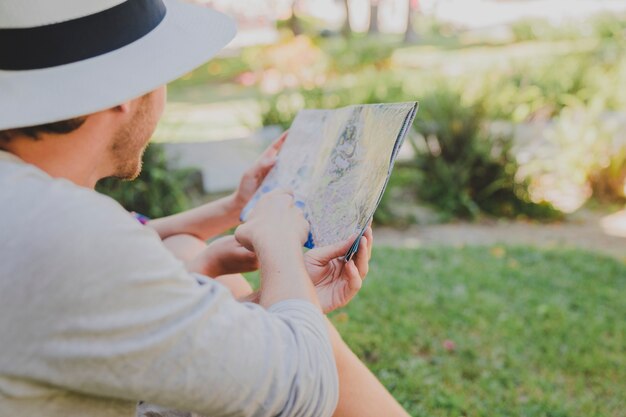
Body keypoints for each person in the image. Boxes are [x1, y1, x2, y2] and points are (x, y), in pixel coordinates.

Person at [0, 1, 410, 416]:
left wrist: (266, 292)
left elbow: (110, 336)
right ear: (124, 93)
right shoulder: (72, 238)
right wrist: (280, 247)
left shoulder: (31, 207)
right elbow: (302, 390)